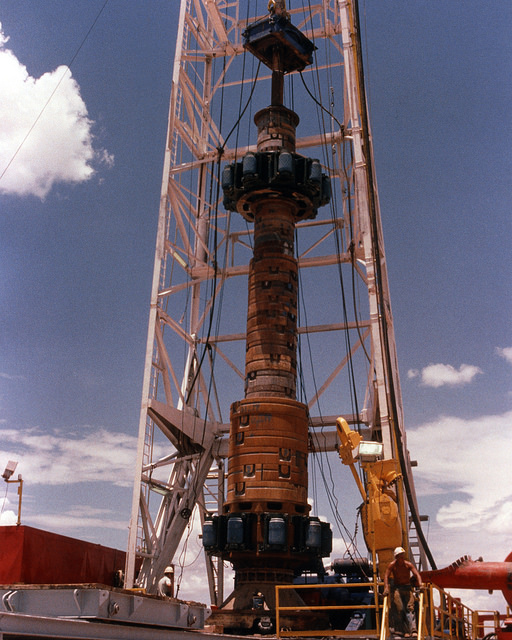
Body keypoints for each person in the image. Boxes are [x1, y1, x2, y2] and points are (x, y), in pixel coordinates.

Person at [383, 547, 422, 636]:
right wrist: (386, 588)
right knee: (399, 609)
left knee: (410, 608)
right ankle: (405, 631)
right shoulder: (392, 565)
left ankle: (413, 630)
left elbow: (416, 574)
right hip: (397, 588)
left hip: (407, 588)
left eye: (402, 555)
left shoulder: (408, 565)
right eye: (400, 555)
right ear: (396, 557)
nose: (402, 557)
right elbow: (386, 576)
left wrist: (420, 585)